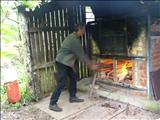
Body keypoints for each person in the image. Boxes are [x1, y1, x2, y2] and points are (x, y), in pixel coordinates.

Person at [49, 23, 98, 112]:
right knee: (61, 82)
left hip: (67, 63)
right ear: (79, 29)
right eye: (83, 30)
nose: (84, 32)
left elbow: (72, 55)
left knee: (73, 77)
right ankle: (52, 103)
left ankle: (72, 97)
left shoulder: (73, 37)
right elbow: (82, 56)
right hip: (61, 62)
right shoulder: (74, 40)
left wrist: (72, 66)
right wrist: (91, 65)